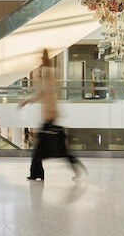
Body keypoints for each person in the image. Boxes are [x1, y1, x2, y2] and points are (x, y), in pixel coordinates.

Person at [19, 49, 84, 181]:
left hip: (50, 119)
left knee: (55, 151)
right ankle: (37, 173)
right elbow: (41, 94)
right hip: (48, 119)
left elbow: (44, 92)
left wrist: (27, 101)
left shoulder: (49, 76)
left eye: (42, 59)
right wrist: (27, 101)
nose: (41, 62)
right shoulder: (47, 77)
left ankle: (37, 173)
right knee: (43, 150)